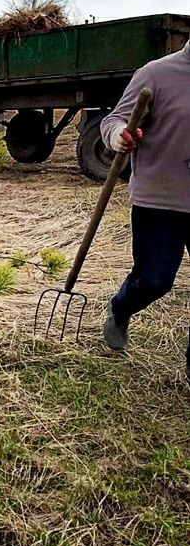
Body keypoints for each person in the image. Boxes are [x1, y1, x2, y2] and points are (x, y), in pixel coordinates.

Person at [100, 37, 190, 361]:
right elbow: (113, 121)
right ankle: (121, 308)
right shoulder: (156, 74)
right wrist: (118, 136)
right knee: (154, 280)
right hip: (159, 201)